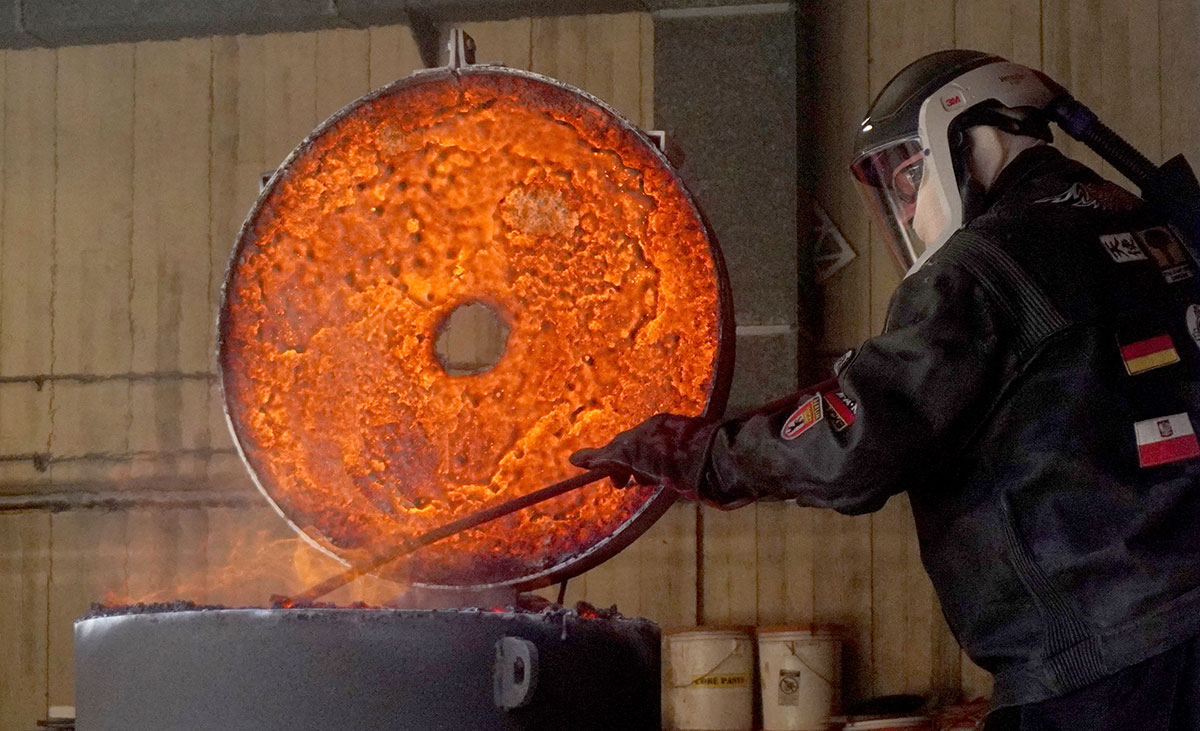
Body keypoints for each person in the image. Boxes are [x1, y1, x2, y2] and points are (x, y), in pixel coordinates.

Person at [570, 50, 1200, 729]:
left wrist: (689, 452)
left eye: (905, 178)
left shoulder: (981, 268)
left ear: (960, 130)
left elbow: (849, 446)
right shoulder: (1149, 227)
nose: (905, 203)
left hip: (1102, 671)